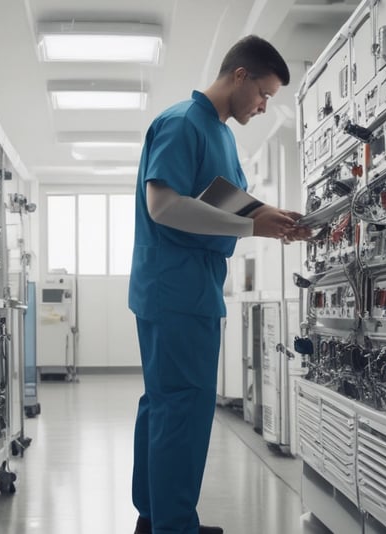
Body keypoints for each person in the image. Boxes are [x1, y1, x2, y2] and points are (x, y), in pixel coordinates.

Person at [128, 35, 311, 534]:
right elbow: (163, 205)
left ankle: (156, 516)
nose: (263, 105)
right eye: (264, 93)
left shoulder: (220, 134)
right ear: (240, 76)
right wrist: (255, 226)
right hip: (176, 292)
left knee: (165, 405)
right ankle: (174, 526)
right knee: (181, 410)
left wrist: (271, 216)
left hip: (189, 290)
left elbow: (218, 199)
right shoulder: (181, 123)